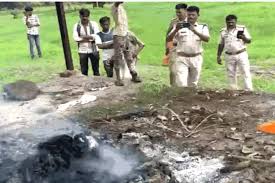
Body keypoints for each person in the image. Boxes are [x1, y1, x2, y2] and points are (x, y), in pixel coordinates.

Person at [167, 6, 210, 87]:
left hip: (196, 58)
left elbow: (207, 39)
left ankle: (190, 99)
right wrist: (176, 29)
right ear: (186, 14)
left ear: (198, 15)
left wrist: (194, 30)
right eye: (189, 14)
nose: (191, 17)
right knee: (182, 83)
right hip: (182, 58)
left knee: (193, 84)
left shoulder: (202, 26)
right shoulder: (179, 25)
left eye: (193, 15)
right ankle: (181, 99)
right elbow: (169, 38)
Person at [217, 14, 253, 91]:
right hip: (229, 55)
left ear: (236, 22)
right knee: (230, 74)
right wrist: (218, 56)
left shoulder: (242, 29)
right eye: (228, 22)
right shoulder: (223, 31)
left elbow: (249, 41)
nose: (230, 24)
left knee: (245, 71)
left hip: (241, 53)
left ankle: (248, 89)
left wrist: (244, 37)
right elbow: (221, 44)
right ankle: (233, 90)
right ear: (226, 22)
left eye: (232, 22)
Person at [111, 2, 142, 86]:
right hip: (118, 36)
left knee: (129, 57)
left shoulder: (122, 8)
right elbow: (116, 4)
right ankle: (118, 79)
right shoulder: (114, 6)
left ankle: (134, 75)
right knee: (118, 57)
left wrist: (127, 35)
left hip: (125, 35)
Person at [73, 8, 101, 76]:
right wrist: (90, 37)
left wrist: (83, 37)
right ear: (80, 16)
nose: (85, 20)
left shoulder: (94, 24)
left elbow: (97, 36)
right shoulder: (77, 25)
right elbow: (76, 38)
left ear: (89, 16)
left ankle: (97, 85)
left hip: (94, 49)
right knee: (84, 71)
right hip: (82, 50)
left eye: (86, 18)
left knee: (96, 70)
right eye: (83, 18)